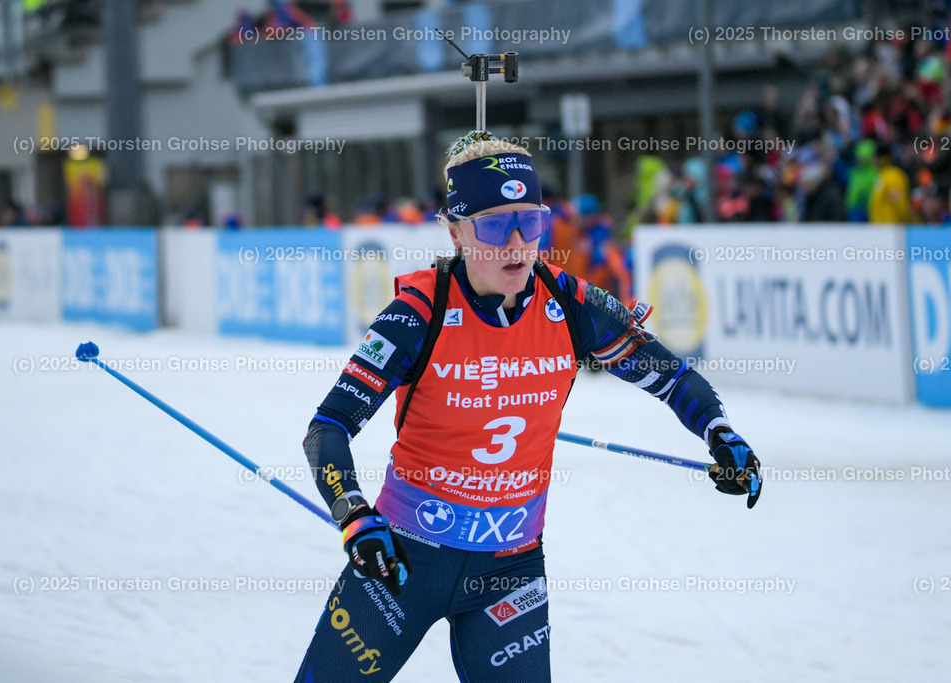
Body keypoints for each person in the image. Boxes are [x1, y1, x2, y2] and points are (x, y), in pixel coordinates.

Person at [295, 130, 762, 682]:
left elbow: (671, 377)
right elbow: (327, 427)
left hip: (510, 572)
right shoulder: (418, 311)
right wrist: (354, 517)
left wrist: (720, 432)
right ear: (457, 231)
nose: (517, 242)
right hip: (402, 560)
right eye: (495, 225)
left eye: (531, 221)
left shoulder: (572, 302)